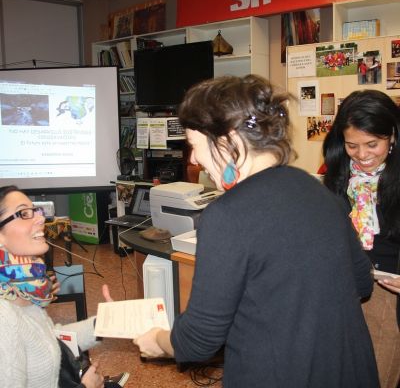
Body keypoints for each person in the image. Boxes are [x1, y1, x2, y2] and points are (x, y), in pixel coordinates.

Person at [134, 75, 379, 387]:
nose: (193, 158)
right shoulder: (321, 192)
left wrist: (157, 340)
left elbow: (199, 339)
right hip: (347, 370)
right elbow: (361, 282)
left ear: (229, 140)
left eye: (194, 145)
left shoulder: (227, 215)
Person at [0, 185, 126, 388]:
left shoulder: (20, 292)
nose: (40, 218)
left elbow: (49, 339)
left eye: (35, 211)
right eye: (24, 213)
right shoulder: (4, 318)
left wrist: (105, 322)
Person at [322, 89, 400, 388]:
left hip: (388, 294)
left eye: (373, 144)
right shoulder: (340, 171)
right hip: (346, 287)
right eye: (352, 145)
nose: (363, 155)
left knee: (378, 376)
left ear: (391, 136)